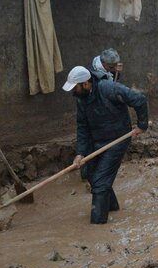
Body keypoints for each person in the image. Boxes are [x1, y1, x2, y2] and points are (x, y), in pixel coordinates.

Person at [63, 66, 148, 224]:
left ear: (86, 84)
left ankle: (98, 224)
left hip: (118, 138)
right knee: (90, 172)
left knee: (101, 182)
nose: (73, 92)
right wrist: (80, 153)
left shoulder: (108, 88)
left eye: (75, 88)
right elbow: (82, 126)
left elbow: (139, 99)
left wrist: (142, 124)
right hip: (97, 139)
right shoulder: (81, 98)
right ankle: (111, 206)